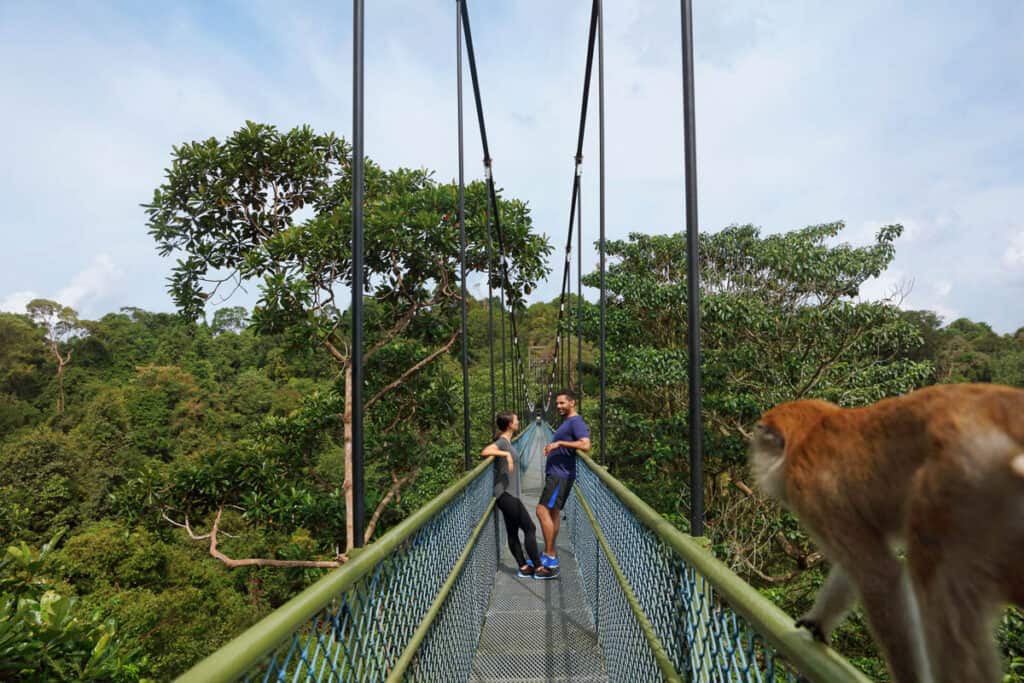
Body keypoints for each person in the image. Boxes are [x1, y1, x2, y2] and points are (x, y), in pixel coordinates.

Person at [481, 411, 555, 580]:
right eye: (516, 420)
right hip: (507, 495)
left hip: (508, 494)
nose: (519, 421)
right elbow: (486, 451)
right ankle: (538, 568)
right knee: (530, 528)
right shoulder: (502, 443)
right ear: (509, 424)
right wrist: (506, 454)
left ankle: (523, 567)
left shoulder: (507, 441)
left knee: (513, 531)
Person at [536, 389, 590, 572]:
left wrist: (559, 444)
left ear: (572, 403)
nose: (558, 406)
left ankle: (550, 556)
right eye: (557, 403)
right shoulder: (567, 422)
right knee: (553, 513)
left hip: (561, 475)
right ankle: (549, 553)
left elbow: (585, 444)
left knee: (541, 511)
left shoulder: (576, 422)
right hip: (557, 473)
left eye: (562, 403)